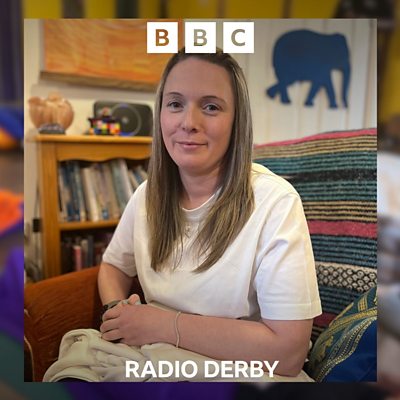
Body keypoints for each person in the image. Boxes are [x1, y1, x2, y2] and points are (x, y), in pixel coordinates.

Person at [97, 47, 322, 380]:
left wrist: (162, 325)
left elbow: (288, 353)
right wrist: (118, 311)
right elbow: (113, 266)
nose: (189, 123)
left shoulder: (276, 202)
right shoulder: (146, 195)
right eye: (175, 104)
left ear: (236, 121)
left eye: (211, 107)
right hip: (148, 359)